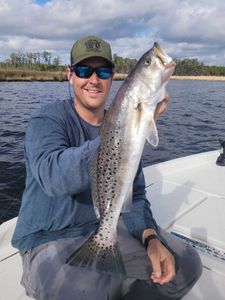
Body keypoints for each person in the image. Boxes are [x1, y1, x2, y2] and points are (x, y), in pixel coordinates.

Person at [12, 35, 202, 300]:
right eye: (83, 70)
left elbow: (133, 194)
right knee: (84, 290)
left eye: (102, 71)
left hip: (104, 228)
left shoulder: (131, 127)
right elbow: (54, 178)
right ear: (70, 75)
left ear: (113, 76)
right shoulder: (47, 121)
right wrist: (119, 130)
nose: (93, 79)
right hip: (47, 237)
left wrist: (150, 237)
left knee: (186, 265)